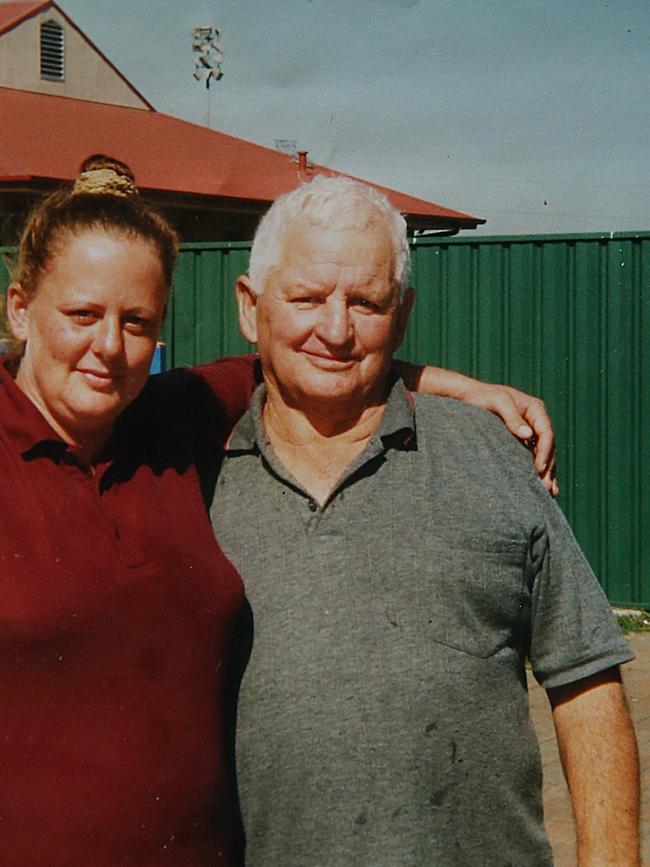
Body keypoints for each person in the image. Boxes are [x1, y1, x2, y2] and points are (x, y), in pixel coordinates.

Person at [0, 155, 556, 866]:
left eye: (136, 321)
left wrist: (462, 387)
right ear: (21, 307)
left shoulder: (174, 417)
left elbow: (306, 356)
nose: (108, 345)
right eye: (82, 314)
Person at [210, 175, 640, 866]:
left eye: (366, 303)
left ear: (403, 316)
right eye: (308, 297)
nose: (336, 328)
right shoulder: (191, 475)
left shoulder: (492, 455)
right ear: (248, 306)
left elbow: (586, 678)